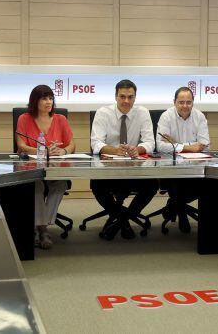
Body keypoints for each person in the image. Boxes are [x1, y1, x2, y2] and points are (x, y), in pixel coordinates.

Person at [90, 79, 158, 240]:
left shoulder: (143, 112)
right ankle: (124, 221)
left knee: (153, 184)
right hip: (109, 169)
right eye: (122, 97)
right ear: (115, 97)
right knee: (97, 184)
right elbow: (96, 143)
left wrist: (138, 149)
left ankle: (121, 220)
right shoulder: (103, 112)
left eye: (130, 97)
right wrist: (114, 150)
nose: (126, 101)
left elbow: (150, 142)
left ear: (135, 97)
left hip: (135, 168)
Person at [16, 84, 76, 249]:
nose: (48, 102)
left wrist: (63, 150)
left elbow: (72, 144)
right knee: (37, 185)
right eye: (44, 98)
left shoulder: (60, 119)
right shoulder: (24, 119)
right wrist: (41, 150)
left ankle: (40, 227)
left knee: (61, 184)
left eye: (50, 98)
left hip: (56, 168)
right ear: (35, 101)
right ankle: (43, 230)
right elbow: (20, 145)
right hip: (32, 168)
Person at [156, 87, 210, 233]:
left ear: (193, 103)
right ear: (174, 102)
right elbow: (160, 146)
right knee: (176, 182)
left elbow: (204, 144)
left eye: (189, 102)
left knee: (208, 184)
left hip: (195, 165)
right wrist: (191, 147)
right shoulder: (166, 116)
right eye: (181, 102)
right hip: (171, 166)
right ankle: (181, 213)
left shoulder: (199, 116)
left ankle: (173, 205)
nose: (185, 106)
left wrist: (176, 145)